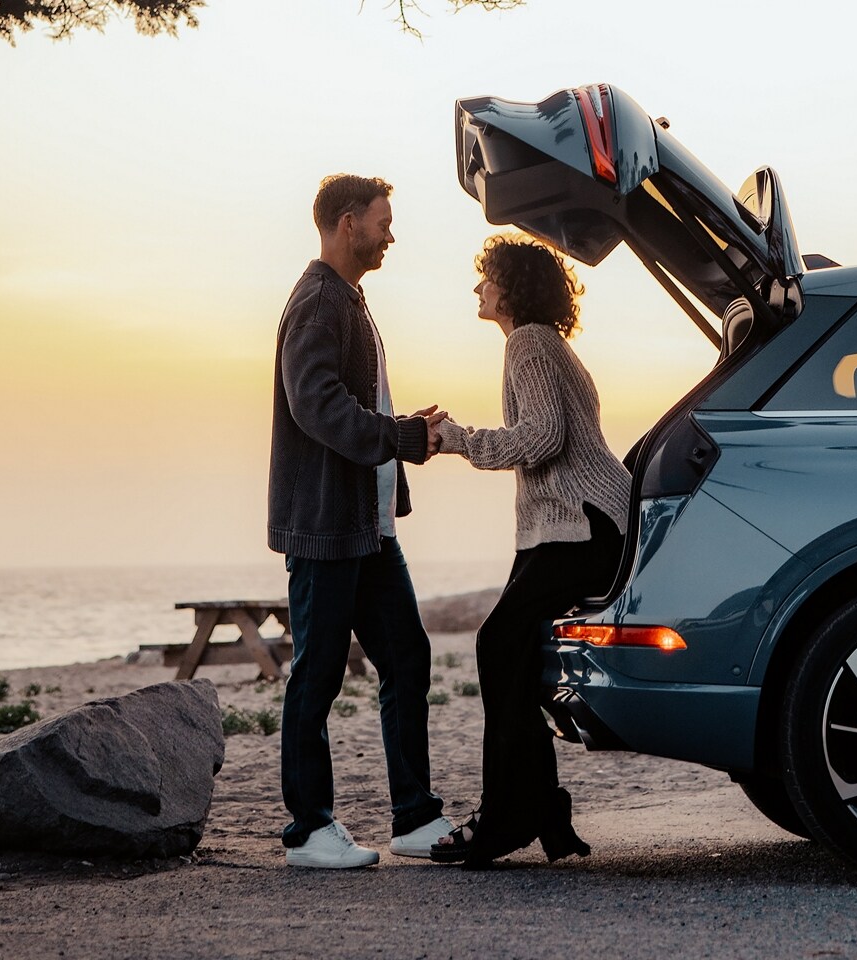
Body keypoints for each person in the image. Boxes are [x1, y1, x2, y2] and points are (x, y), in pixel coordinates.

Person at [268, 173, 454, 869]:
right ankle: (308, 831)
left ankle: (415, 818)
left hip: (369, 528)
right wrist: (400, 437)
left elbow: (354, 404)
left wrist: (404, 434)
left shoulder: (348, 299)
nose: (390, 233)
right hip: (326, 528)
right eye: (383, 221)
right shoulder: (319, 301)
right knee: (316, 674)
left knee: (408, 657)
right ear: (349, 224)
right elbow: (314, 404)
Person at [430, 234, 631, 867]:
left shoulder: (529, 342)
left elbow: (543, 438)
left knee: (498, 645)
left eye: (487, 276)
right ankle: (535, 806)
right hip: (573, 522)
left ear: (512, 287)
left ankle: (512, 813)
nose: (478, 287)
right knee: (513, 653)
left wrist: (459, 439)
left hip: (582, 522)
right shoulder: (545, 343)